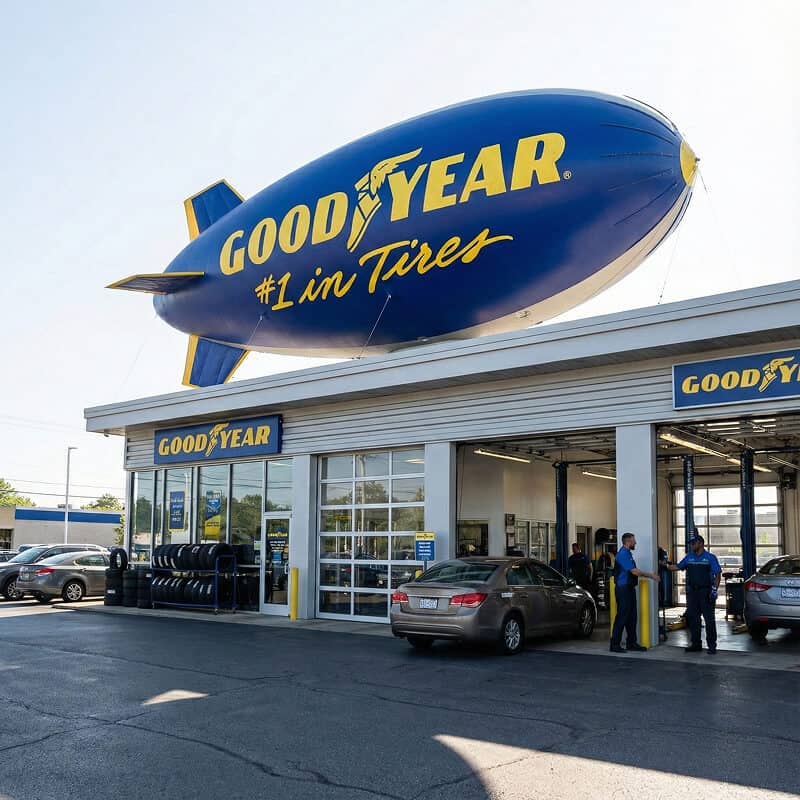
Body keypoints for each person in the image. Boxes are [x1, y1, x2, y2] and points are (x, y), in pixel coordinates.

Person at [663, 532, 721, 654]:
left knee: (709, 619)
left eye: (694, 543)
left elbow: (717, 575)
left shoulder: (710, 557)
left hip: (706, 592)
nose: (692, 546)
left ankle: (711, 645)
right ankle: (696, 644)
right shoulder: (689, 557)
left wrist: (714, 590)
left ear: (701, 543)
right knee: (693, 619)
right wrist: (665, 565)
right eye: (691, 544)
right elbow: (677, 567)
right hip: (692, 593)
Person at [610, 532, 659, 653]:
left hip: (629, 588)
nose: (635, 542)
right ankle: (614, 644)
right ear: (628, 542)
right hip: (623, 589)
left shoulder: (628, 554)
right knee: (622, 616)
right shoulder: (622, 554)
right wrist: (651, 576)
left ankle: (631, 643)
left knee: (632, 616)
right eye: (633, 541)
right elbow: (634, 572)